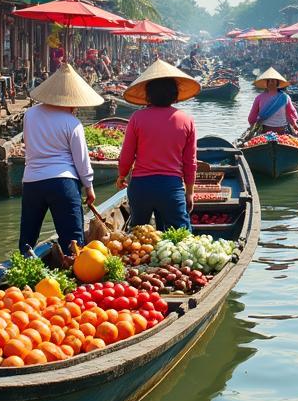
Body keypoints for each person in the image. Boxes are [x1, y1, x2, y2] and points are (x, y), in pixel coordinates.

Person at [18, 63, 101, 256]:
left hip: (32, 182)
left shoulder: (29, 115)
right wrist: (89, 186)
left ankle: (25, 268)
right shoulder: (72, 123)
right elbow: (81, 161)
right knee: (72, 242)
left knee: (27, 240)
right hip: (63, 183)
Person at [116, 61, 200, 230]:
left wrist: (122, 175)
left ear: (148, 95)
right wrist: (190, 192)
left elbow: (126, 155)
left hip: (141, 187)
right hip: (171, 188)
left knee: (138, 237)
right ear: (174, 94)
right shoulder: (186, 120)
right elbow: (190, 163)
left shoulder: (137, 118)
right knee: (181, 237)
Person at [248, 68, 298, 132]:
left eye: (273, 81)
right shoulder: (259, 98)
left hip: (281, 129)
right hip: (266, 130)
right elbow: (252, 117)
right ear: (266, 83)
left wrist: (294, 124)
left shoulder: (285, 97)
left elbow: (291, 113)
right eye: (269, 81)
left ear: (277, 83)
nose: (271, 82)